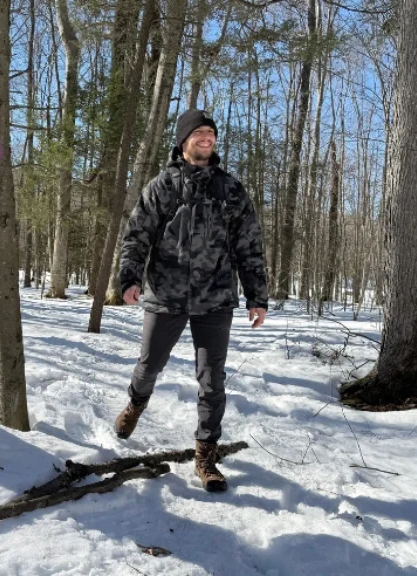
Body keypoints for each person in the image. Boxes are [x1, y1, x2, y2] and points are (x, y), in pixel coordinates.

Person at [113, 108, 269, 492]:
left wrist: (257, 295)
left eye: (210, 133)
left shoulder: (230, 189)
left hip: (215, 298)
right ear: (183, 141)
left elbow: (249, 244)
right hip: (165, 295)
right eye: (198, 132)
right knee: (149, 365)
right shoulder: (162, 187)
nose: (206, 138)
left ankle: (206, 454)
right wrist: (130, 277)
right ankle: (136, 403)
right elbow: (137, 235)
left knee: (212, 380)